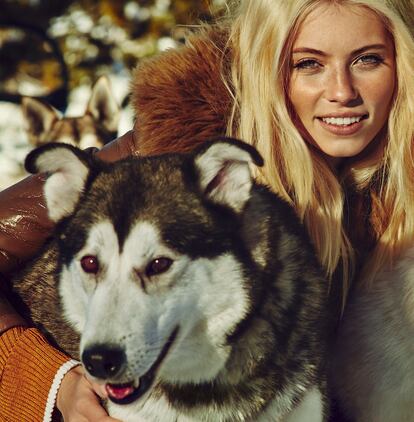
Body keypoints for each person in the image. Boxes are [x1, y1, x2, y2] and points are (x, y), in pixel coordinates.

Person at [0, 0, 413, 420]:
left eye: (367, 60)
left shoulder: (401, 195)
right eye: (308, 63)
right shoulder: (164, 155)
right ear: (268, 67)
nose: (342, 91)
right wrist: (54, 379)